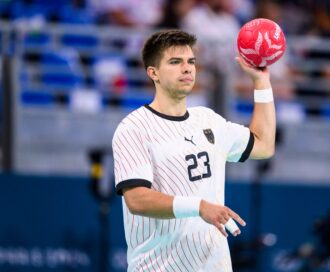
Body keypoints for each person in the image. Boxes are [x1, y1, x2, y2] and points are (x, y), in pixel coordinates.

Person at [112, 29, 276, 271]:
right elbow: (137, 199)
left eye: (191, 62)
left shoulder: (208, 120)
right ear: (153, 72)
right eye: (175, 62)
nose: (187, 68)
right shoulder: (134, 128)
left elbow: (263, 145)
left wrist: (261, 82)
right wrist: (199, 206)